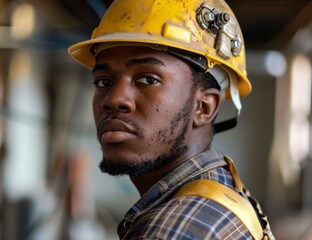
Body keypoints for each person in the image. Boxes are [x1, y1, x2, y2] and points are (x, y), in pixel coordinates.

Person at [68, 0, 275, 239]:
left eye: (148, 80)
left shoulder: (173, 230)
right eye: (104, 81)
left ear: (204, 107)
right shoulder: (225, 191)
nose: (114, 99)